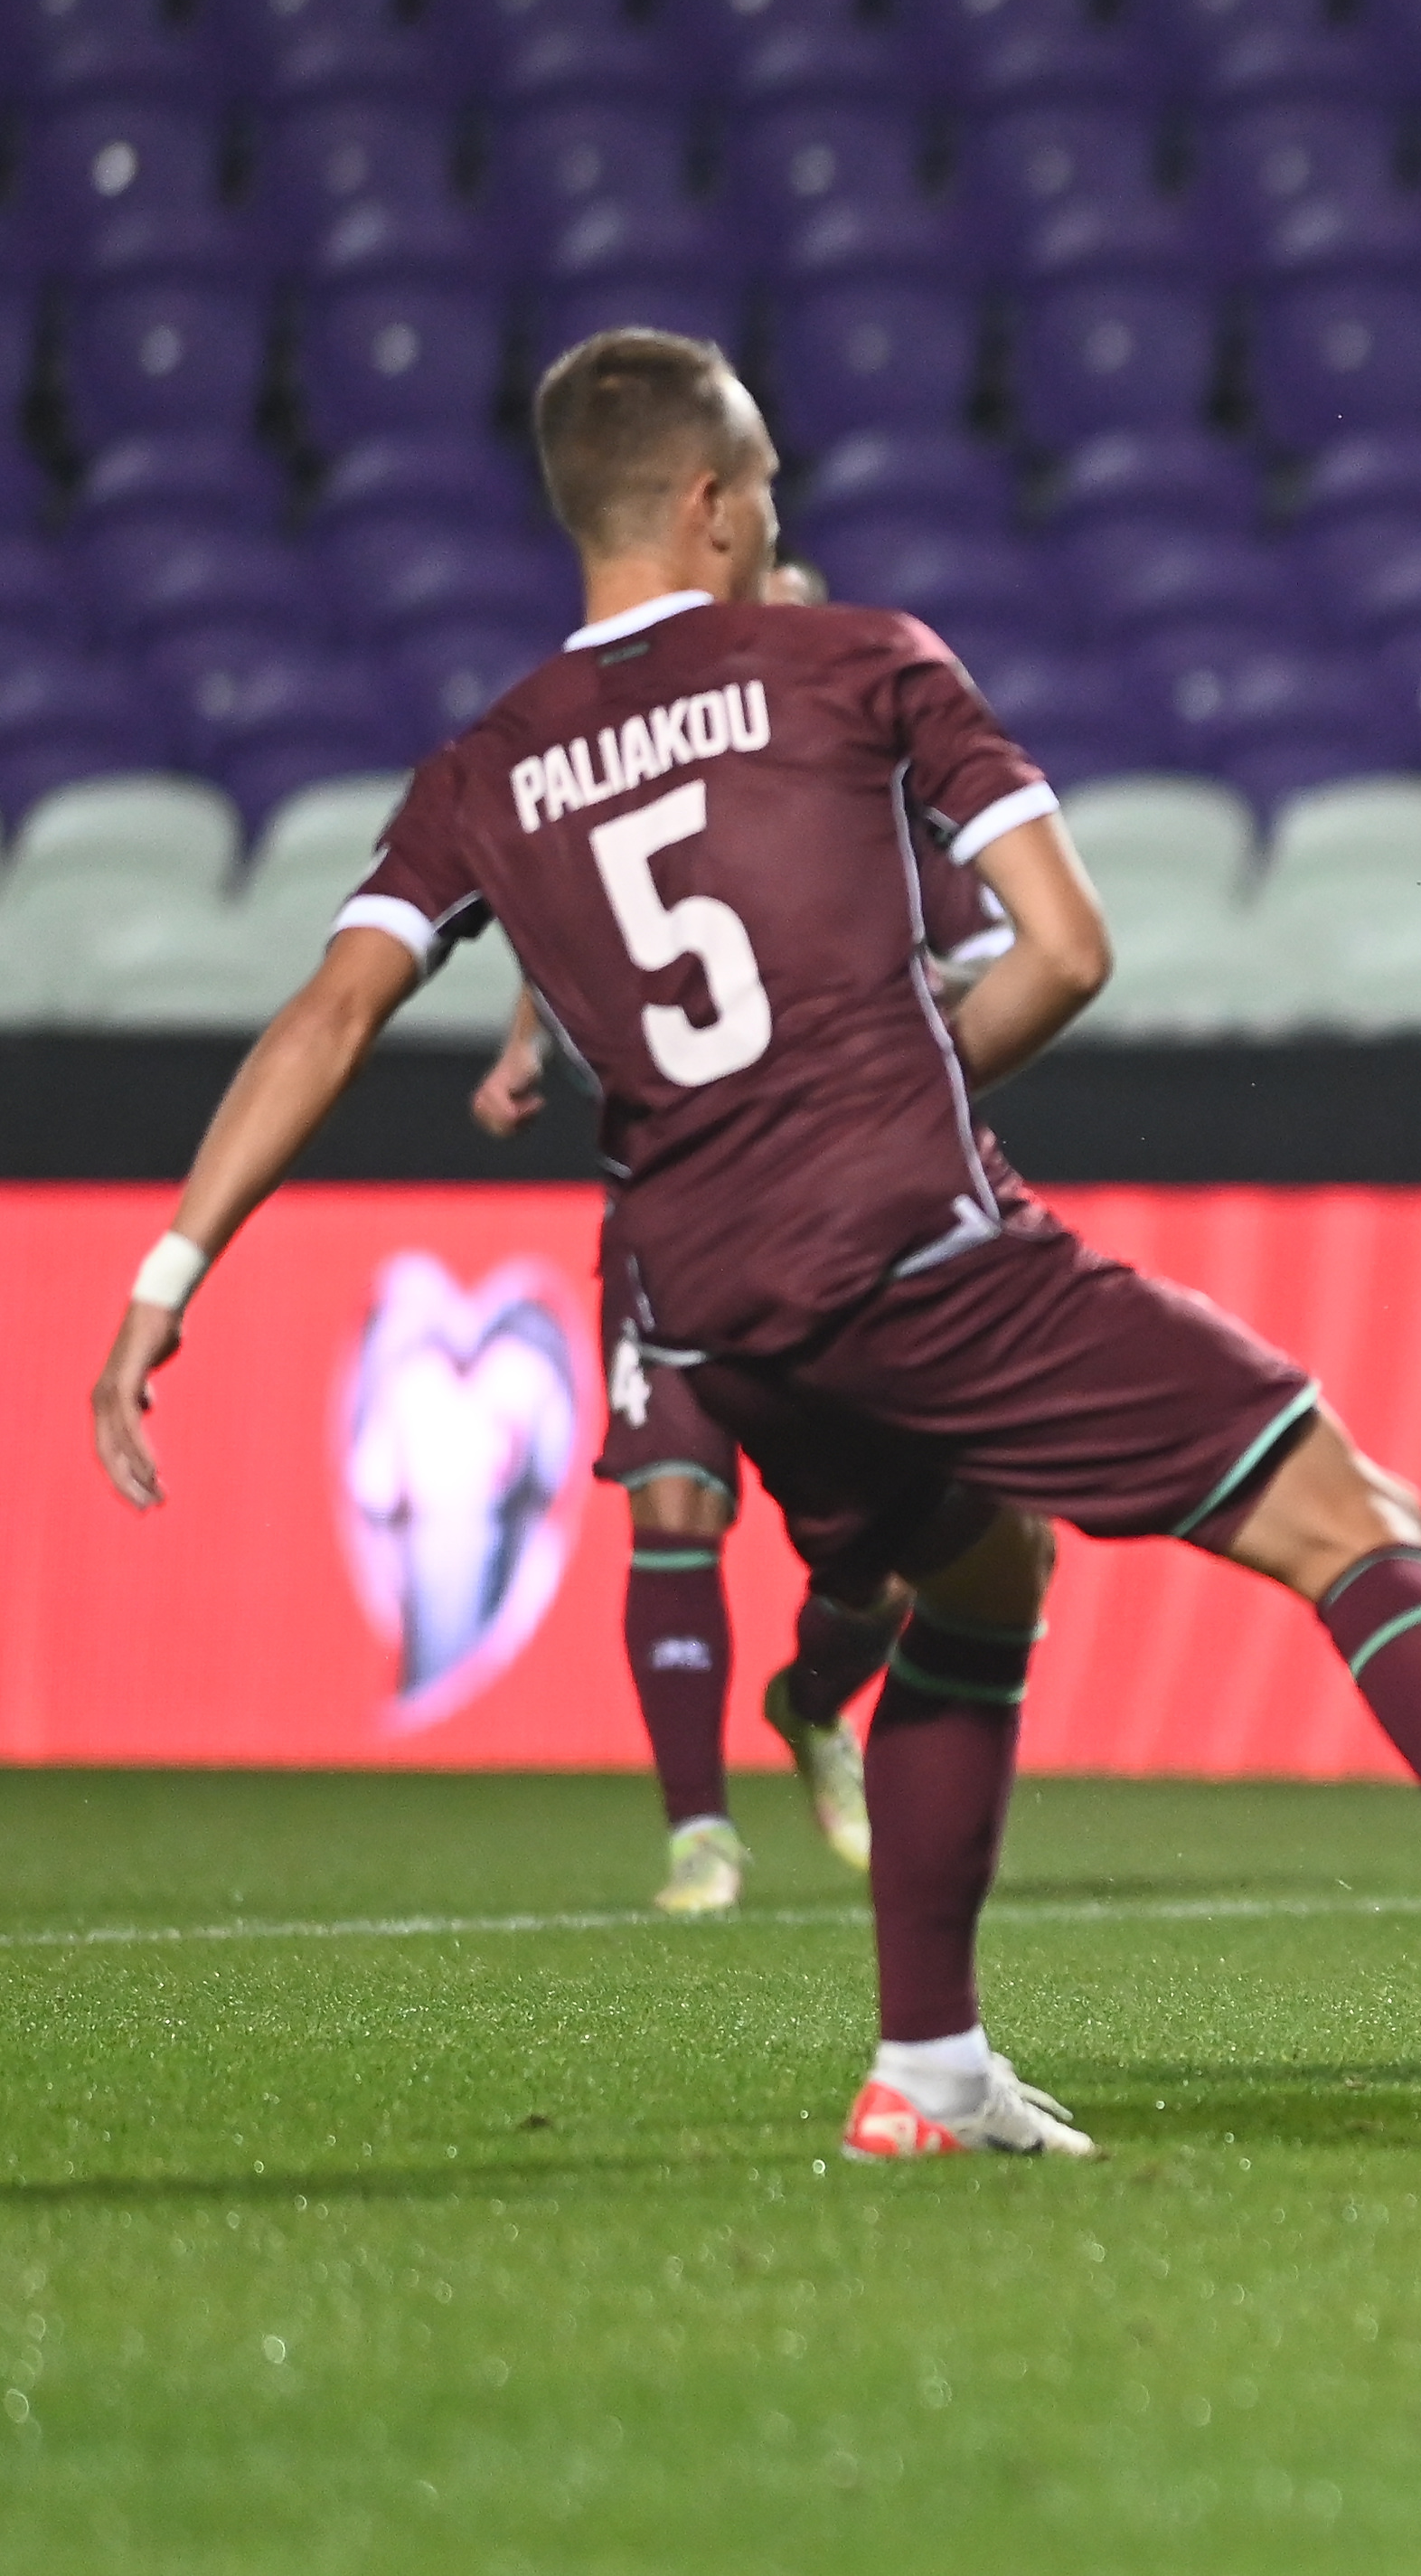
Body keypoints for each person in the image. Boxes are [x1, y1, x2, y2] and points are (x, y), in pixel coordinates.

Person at [92, 327, 1421, 2156]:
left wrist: (168, 1277)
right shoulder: (858, 659)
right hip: (909, 1242)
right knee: (1347, 1514)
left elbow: (326, 1016)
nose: (780, 513)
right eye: (769, 483)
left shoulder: (485, 769)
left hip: (712, 1309)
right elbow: (1067, 946)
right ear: (712, 502)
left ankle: (928, 2068)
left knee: (979, 1582)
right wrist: (873, 1085)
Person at [466, 554, 967, 1916]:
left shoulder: (878, 807)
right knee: (671, 1501)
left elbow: (985, 967)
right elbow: (569, 915)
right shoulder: (642, 780)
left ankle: (812, 1704)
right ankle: (701, 1832)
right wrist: (524, 1046)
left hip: (848, 1220)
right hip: (668, 1214)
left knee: (893, 1550)